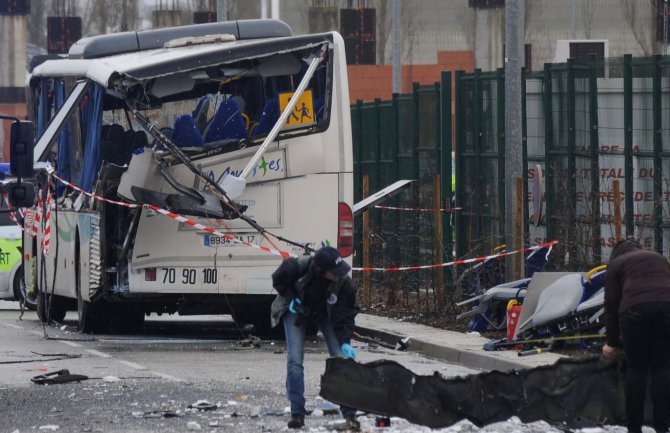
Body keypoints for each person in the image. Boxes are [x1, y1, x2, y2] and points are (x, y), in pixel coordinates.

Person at [270, 246, 360, 430]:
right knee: (295, 359)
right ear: (320, 270)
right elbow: (278, 280)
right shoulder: (296, 267)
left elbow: (345, 314)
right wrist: (291, 296)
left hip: (325, 312)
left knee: (340, 359)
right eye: (333, 272)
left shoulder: (344, 284)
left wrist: (344, 341)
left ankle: (350, 414)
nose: (338, 275)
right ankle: (297, 413)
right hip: (296, 308)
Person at [602, 239, 670, 433]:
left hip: (634, 311)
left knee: (637, 368)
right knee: (662, 367)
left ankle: (634, 428)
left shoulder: (617, 264)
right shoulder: (659, 258)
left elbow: (611, 306)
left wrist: (611, 343)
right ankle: (662, 426)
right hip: (667, 308)